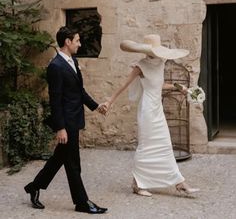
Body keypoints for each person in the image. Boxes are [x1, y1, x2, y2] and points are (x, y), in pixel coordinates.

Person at [24, 26, 108, 214]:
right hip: (66, 123)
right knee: (72, 162)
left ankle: (34, 186)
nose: (80, 43)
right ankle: (82, 202)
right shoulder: (55, 66)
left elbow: (79, 91)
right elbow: (55, 100)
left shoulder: (72, 61)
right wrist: (60, 128)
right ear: (67, 42)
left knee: (60, 158)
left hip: (74, 119)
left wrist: (96, 106)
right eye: (77, 40)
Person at [104, 34, 200, 197]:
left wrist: (179, 87)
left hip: (157, 109)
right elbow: (124, 84)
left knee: (164, 145)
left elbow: (158, 84)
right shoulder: (140, 65)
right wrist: (109, 102)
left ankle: (179, 182)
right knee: (146, 146)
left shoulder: (161, 63)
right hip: (147, 110)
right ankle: (137, 183)